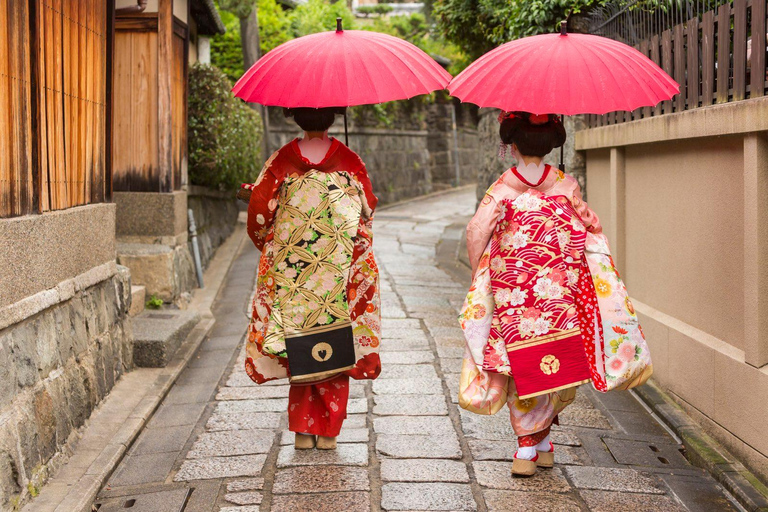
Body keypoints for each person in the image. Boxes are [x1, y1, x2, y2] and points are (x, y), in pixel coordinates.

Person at [460, 111, 603, 477]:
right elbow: (584, 230)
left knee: (519, 365)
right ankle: (542, 443)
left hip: (515, 295)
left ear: (512, 144)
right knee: (555, 360)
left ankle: (527, 448)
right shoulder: (566, 185)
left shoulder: (503, 188)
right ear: (553, 142)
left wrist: (484, 271)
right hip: (558, 294)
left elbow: (477, 232)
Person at [240, 107, 381, 451]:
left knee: (298, 340)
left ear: (295, 118)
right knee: (336, 337)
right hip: (338, 267)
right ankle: (329, 432)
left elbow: (259, 215)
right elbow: (369, 209)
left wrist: (276, 247)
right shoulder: (349, 160)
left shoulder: (281, 160)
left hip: (294, 268)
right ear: (334, 117)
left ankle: (303, 431)